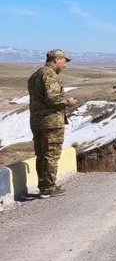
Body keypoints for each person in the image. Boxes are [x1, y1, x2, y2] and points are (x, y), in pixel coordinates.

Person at [27, 49, 78, 198]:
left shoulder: (35, 75)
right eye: (64, 61)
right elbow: (53, 99)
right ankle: (49, 188)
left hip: (37, 121)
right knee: (51, 155)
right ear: (56, 59)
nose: (65, 65)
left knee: (41, 155)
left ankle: (44, 186)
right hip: (51, 122)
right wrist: (68, 102)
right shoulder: (50, 75)